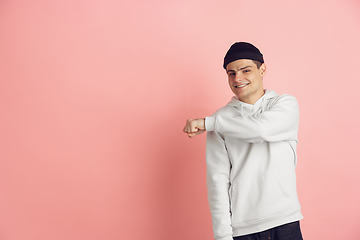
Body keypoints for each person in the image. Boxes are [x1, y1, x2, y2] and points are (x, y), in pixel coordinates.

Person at [183, 42, 303, 240]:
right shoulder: (221, 120)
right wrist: (222, 237)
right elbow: (217, 182)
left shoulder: (285, 105)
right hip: (244, 230)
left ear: (262, 69)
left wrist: (209, 123)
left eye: (245, 70)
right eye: (231, 73)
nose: (237, 79)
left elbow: (261, 130)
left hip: (286, 221)